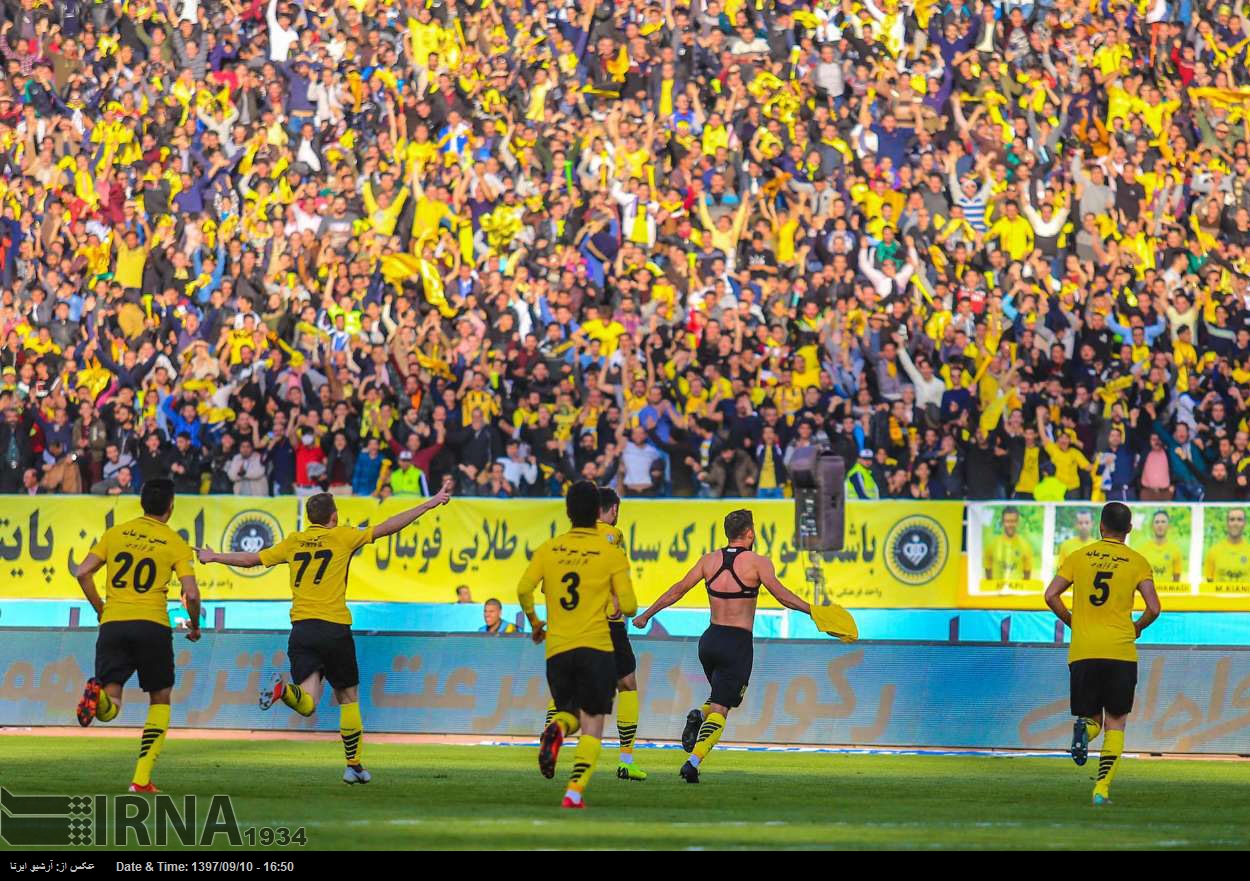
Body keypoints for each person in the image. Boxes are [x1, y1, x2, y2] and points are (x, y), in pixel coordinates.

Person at [196, 483, 452, 784]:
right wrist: (429, 503)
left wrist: (214, 557)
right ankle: (353, 764)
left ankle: (284, 691)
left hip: (302, 630)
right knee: (348, 697)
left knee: (307, 702)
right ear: (334, 516)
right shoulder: (343, 536)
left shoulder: (295, 541)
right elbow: (387, 527)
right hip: (334, 628)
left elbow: (252, 560)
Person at [632, 509, 815, 783]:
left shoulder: (709, 560)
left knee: (723, 698)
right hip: (737, 643)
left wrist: (647, 614)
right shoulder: (758, 563)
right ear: (750, 533)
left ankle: (699, 714)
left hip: (709, 640)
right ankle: (693, 763)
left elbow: (677, 589)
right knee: (723, 708)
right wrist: (812, 610)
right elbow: (782, 596)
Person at [72, 478, 202, 793]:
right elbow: (192, 594)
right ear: (170, 507)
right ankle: (141, 780)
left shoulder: (115, 534)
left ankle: (98, 697)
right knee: (160, 697)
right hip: (152, 626)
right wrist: (194, 625)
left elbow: (82, 571)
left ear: (142, 503)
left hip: (114, 623)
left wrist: (100, 608)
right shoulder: (175, 542)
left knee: (113, 701)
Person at [516, 481, 637, 809]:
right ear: (599, 512)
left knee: (568, 711)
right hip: (596, 646)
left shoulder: (549, 548)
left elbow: (524, 589)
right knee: (592, 722)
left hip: (557, 647)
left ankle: (555, 729)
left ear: (568, 511)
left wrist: (536, 623)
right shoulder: (611, 552)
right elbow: (628, 607)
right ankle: (573, 793)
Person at [1044, 502, 1160, 806]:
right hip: (1120, 651)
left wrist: (1072, 621)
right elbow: (1154, 608)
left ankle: (1085, 729)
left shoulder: (1078, 558)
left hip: (1084, 651)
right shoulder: (1137, 561)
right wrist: (1137, 627)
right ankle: (1101, 790)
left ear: (1100, 526)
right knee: (1117, 723)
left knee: (1092, 717)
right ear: (1130, 529)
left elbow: (1050, 595)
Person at [983, 506, 1034, 582]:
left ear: (1017, 522)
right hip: (996, 591)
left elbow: (1027, 572)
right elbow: (987, 567)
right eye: (1007, 521)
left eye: (1013, 521)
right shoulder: (992, 544)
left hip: (1017, 590)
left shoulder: (1025, 545)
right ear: (1003, 522)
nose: (1010, 525)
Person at [1133, 510, 1185, 585]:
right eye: (1157, 522)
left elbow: (1176, 579)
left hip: (1166, 594)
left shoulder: (1175, 550)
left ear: (1169, 526)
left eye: (1163, 522)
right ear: (1152, 526)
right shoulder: (1141, 549)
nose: (1160, 525)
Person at [1203, 507, 1249, 584]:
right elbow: (1209, 581)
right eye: (1232, 519)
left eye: (1239, 519)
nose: (1235, 523)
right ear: (1227, 523)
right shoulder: (1214, 551)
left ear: (1245, 523)